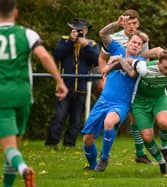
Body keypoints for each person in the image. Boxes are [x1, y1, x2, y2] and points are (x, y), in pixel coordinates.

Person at [0, 0, 68, 187]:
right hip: (23, 94)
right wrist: (59, 81)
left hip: (2, 96)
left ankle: (24, 169)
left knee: (8, 147)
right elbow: (44, 56)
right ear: (16, 13)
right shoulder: (27, 34)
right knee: (14, 146)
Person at [81, 15, 148, 171]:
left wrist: (118, 61)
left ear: (141, 47)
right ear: (129, 42)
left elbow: (132, 73)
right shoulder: (117, 48)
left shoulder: (140, 62)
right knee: (87, 139)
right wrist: (117, 24)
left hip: (121, 103)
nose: (136, 45)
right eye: (134, 42)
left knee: (109, 123)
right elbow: (103, 34)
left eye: (139, 44)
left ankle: (104, 159)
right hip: (104, 100)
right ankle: (92, 165)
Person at [98, 9, 151, 164]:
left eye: (134, 23)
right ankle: (104, 154)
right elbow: (102, 58)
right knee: (111, 120)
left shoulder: (142, 39)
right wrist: (104, 78)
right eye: (129, 23)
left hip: (134, 82)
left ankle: (140, 153)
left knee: (136, 118)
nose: (132, 26)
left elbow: (143, 60)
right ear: (123, 23)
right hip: (116, 85)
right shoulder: (114, 37)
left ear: (138, 24)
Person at [45, 18, 99, 148]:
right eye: (77, 30)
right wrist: (71, 41)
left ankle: (69, 144)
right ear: (72, 30)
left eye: (82, 30)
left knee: (76, 120)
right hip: (64, 87)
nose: (79, 33)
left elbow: (97, 60)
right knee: (59, 116)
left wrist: (85, 46)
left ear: (86, 31)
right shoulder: (64, 41)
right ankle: (52, 143)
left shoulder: (91, 44)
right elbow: (57, 55)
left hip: (82, 87)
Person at [130, 49, 167, 175]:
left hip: (159, 98)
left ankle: (164, 148)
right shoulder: (144, 68)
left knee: (165, 123)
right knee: (147, 136)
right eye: (165, 68)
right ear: (158, 63)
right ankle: (161, 162)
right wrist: (116, 61)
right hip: (140, 102)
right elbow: (130, 60)